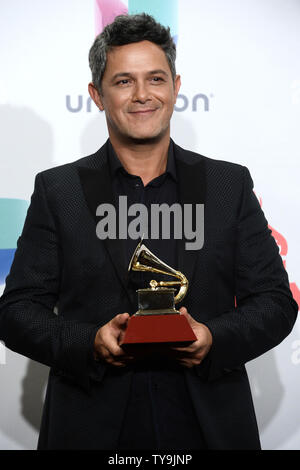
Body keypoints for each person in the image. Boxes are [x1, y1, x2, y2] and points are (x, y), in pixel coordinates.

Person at [0, 13, 298, 450]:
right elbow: (17, 312)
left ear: (176, 87)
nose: (142, 95)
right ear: (96, 95)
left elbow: (274, 302)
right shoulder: (58, 191)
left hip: (209, 429)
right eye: (123, 81)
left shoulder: (228, 186)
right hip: (90, 430)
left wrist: (214, 339)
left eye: (155, 78)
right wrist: (89, 342)